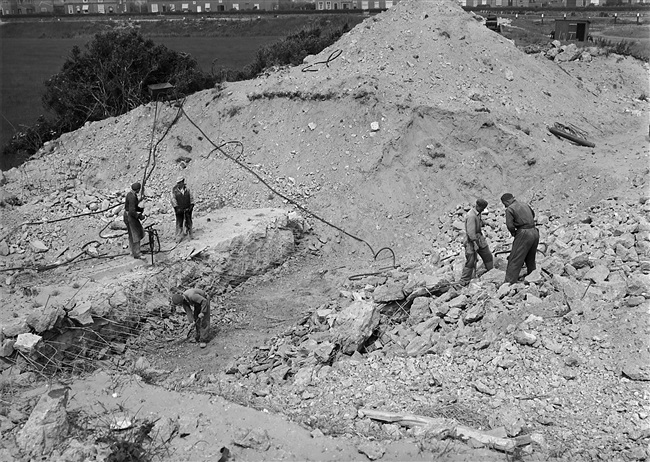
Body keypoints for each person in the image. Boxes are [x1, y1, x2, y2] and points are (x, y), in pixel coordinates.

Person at [501, 193, 539, 284]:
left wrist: (514, 233)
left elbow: (510, 225)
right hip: (534, 232)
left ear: (507, 201)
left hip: (524, 233)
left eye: (504, 203)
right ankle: (533, 277)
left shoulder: (510, 209)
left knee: (515, 257)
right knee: (530, 257)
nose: (504, 206)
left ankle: (509, 282)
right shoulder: (525, 205)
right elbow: (533, 215)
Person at [459, 198, 494, 285]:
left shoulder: (477, 214)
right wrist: (475, 243)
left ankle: (492, 273)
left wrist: (487, 223)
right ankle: (464, 281)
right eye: (482, 208)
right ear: (478, 206)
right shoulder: (471, 216)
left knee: (488, 255)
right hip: (472, 241)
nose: (483, 210)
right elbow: (471, 233)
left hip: (479, 238)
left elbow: (479, 222)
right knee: (471, 261)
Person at [124, 182, 145, 259]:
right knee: (136, 234)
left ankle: (132, 251)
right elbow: (132, 211)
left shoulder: (131, 194)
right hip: (130, 217)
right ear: (137, 189)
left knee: (131, 234)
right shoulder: (132, 197)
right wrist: (139, 216)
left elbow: (133, 207)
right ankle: (137, 253)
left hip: (127, 216)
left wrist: (140, 209)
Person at [171, 176, 194, 242]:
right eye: (178, 183)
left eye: (180, 182)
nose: (178, 184)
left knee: (189, 221)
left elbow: (191, 197)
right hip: (179, 209)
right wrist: (176, 207)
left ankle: (190, 235)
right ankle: (178, 237)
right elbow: (173, 199)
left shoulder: (187, 189)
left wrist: (191, 205)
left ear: (183, 182)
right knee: (179, 223)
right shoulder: (174, 191)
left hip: (187, 208)